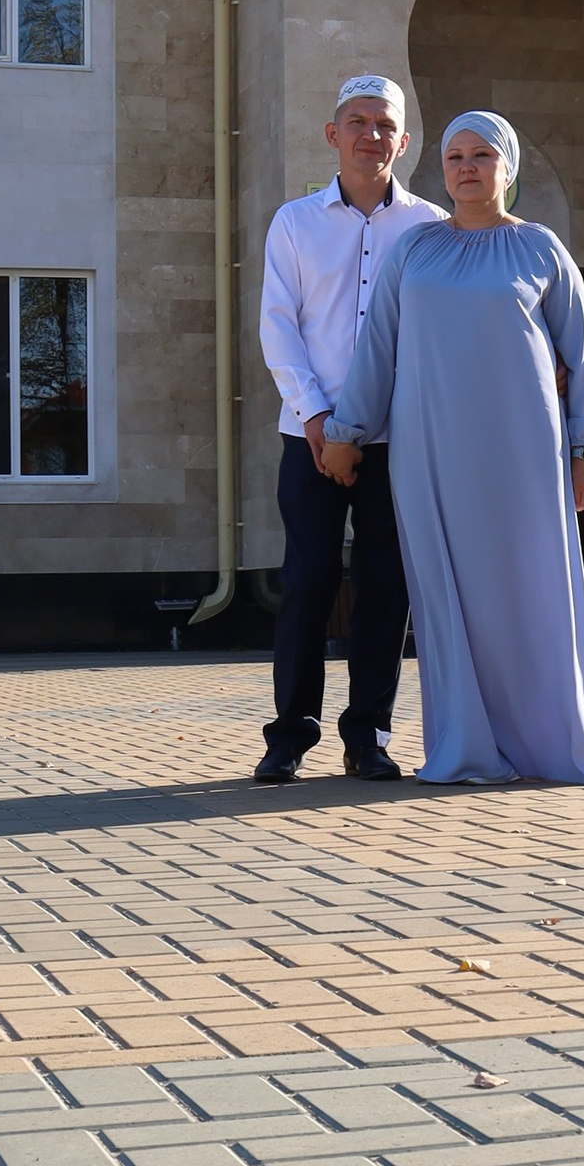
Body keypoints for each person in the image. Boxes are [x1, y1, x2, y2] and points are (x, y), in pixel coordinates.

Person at [321, 110, 584, 787]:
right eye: (455, 157)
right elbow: (378, 348)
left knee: (529, 593)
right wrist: (345, 432)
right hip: (430, 454)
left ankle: (544, 745)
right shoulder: (415, 250)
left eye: (482, 155)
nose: (467, 168)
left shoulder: (541, 249)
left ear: (508, 167)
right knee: (447, 600)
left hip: (524, 455)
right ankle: (467, 747)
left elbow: (581, 355)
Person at [254, 74, 445, 784]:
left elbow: (439, 334)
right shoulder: (294, 223)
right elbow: (279, 325)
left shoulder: (429, 228)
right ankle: (289, 736)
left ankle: (368, 735)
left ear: (404, 140)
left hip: (398, 441)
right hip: (308, 437)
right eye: (358, 122)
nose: (372, 134)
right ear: (333, 135)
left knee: (385, 587)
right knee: (307, 582)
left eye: (385, 123)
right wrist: (315, 419)